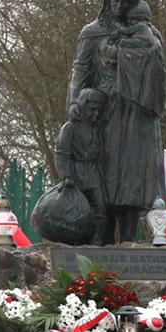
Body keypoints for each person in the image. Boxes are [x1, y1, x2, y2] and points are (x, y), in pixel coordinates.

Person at [67, 0, 166, 244]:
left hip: (135, 114)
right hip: (103, 112)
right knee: (103, 176)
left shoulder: (149, 33)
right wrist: (74, 103)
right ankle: (103, 237)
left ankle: (131, 239)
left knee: (133, 177)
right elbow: (80, 69)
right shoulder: (92, 32)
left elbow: (158, 72)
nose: (119, 6)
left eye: (126, 0)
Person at [54, 88, 108, 245]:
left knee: (100, 208)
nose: (96, 113)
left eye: (98, 110)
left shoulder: (96, 128)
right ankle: (75, 241)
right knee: (75, 211)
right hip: (76, 173)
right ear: (84, 106)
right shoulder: (69, 128)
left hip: (93, 172)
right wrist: (66, 175)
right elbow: (61, 153)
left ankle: (96, 241)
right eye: (93, 109)